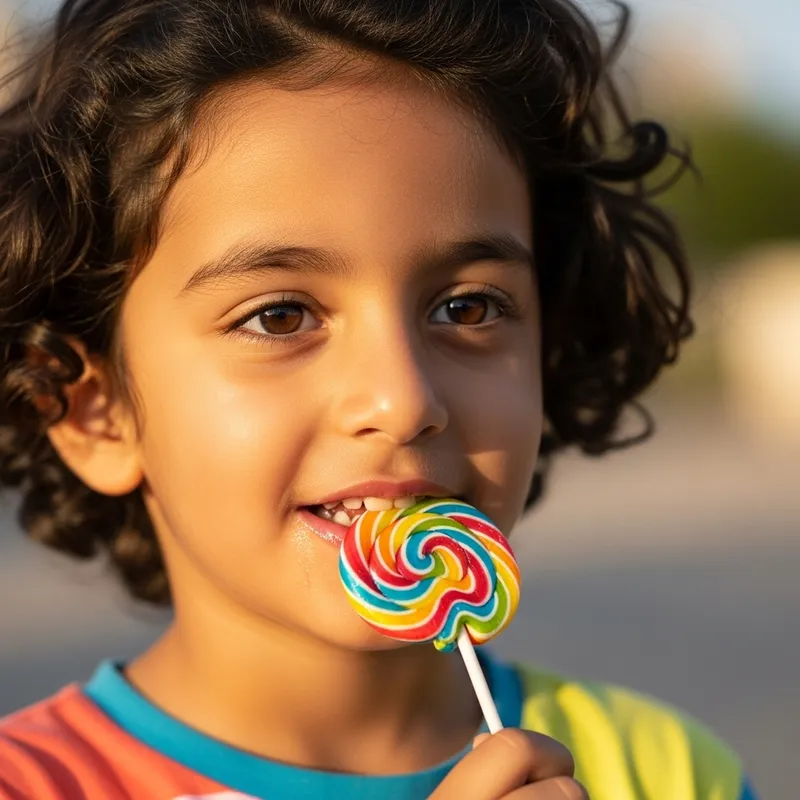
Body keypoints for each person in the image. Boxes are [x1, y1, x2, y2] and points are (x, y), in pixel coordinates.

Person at [0, 0, 759, 797]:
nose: (403, 399)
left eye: (467, 307)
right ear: (95, 413)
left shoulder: (669, 771)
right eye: (279, 316)